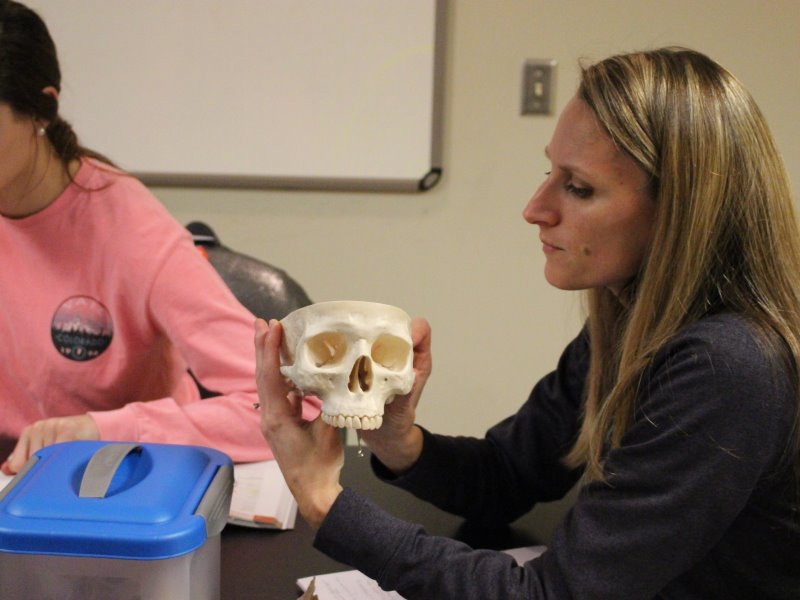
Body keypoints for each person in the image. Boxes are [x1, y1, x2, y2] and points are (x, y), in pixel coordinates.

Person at [255, 47, 800, 599]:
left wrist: (327, 505)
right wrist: (400, 442)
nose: (535, 208)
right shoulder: (637, 323)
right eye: (550, 172)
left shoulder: (726, 366)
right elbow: (509, 475)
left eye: (579, 187)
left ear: (680, 210)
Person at [0, 0, 319, 475]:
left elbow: (291, 407)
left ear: (41, 109)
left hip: (113, 478)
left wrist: (102, 429)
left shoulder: (128, 231)